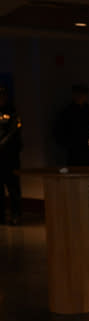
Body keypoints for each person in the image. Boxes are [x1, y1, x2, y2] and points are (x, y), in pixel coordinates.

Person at [55, 84, 89, 166]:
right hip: (74, 150)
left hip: (88, 150)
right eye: (78, 94)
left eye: (83, 94)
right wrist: (69, 143)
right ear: (74, 95)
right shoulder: (68, 112)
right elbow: (60, 131)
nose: (80, 97)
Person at [0, 84, 22, 225]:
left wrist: (3, 144)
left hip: (10, 156)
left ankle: (16, 214)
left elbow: (14, 133)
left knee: (13, 188)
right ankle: (1, 216)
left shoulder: (13, 113)